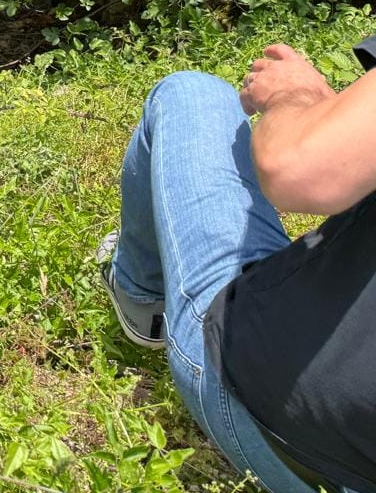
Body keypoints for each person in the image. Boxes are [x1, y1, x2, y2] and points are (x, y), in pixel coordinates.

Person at [100, 44, 376, 493]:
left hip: (299, 437)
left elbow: (299, 170)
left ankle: (143, 302)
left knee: (190, 93)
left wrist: (295, 99)